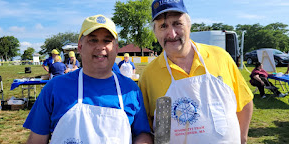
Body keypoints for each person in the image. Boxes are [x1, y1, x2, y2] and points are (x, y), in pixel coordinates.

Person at [23, 14, 152, 144]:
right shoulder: (54, 88)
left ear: (116, 48)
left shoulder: (130, 90)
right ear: (80, 47)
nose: (100, 47)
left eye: (107, 41)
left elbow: (142, 134)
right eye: (93, 40)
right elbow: (37, 139)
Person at [138, 0, 254, 143]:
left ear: (189, 25)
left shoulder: (220, 57)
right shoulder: (149, 75)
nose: (172, 34)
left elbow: (244, 103)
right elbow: (149, 127)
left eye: (177, 23)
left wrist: (242, 138)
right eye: (163, 26)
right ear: (155, 32)